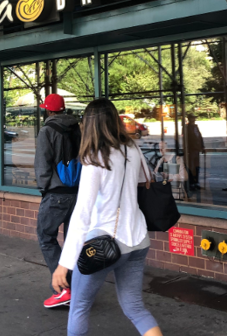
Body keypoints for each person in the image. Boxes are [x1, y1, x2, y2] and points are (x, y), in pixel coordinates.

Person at [52, 99, 163, 336]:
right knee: (135, 307)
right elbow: (146, 180)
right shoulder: (132, 148)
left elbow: (83, 213)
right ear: (114, 120)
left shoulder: (94, 158)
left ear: (89, 124)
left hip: (104, 242)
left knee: (79, 307)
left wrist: (64, 263)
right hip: (138, 239)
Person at [34, 93, 81, 308]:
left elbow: (42, 164)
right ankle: (78, 287)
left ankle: (63, 289)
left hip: (56, 193)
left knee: (46, 237)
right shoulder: (77, 128)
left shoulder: (47, 130)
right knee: (72, 240)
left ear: (49, 110)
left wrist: (44, 189)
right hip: (77, 192)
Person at [184, 114, 204, 190]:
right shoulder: (187, 127)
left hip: (196, 149)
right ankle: (191, 182)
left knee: (196, 166)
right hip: (191, 149)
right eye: (192, 118)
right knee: (191, 166)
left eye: (194, 118)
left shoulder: (195, 126)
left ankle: (196, 182)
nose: (194, 120)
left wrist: (202, 146)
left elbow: (199, 136)